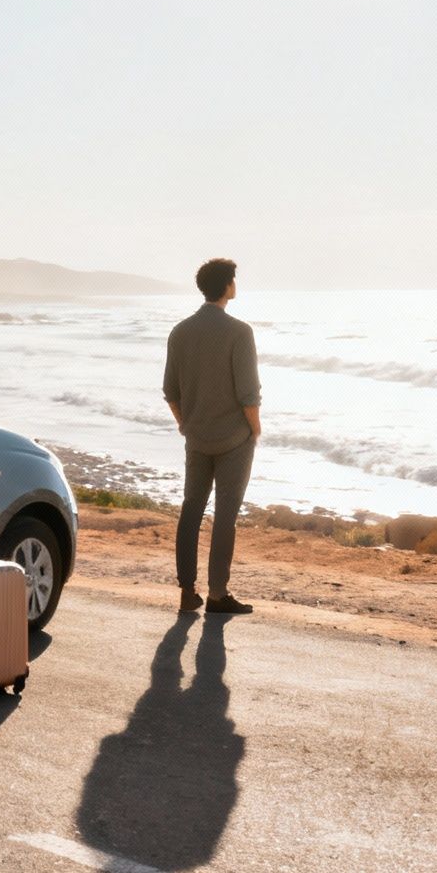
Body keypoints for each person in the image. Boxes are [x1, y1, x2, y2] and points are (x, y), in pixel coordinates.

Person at [161, 258, 259, 615]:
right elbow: (248, 392)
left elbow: (171, 391)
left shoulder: (180, 331)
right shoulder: (239, 331)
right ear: (227, 286)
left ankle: (187, 592)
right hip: (234, 439)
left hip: (197, 437)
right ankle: (218, 594)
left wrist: (186, 424)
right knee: (225, 515)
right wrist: (255, 429)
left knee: (191, 511)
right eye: (234, 279)